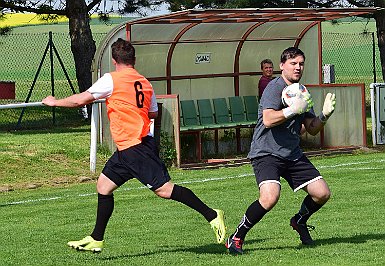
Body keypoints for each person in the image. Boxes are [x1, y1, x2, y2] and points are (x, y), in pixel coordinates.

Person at [42, 38, 226, 253]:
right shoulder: (145, 82)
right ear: (134, 59)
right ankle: (96, 238)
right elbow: (153, 113)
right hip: (127, 148)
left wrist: (54, 102)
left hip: (136, 148)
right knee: (103, 186)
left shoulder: (111, 79)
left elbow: (81, 100)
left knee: (165, 190)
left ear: (113, 60)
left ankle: (212, 214)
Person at [225, 47, 336, 255]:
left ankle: (299, 221)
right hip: (266, 152)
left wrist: (324, 116)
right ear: (282, 65)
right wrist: (292, 109)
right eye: (293, 63)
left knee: (322, 193)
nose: (298, 67)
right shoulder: (274, 88)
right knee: (269, 197)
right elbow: (267, 119)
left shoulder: (302, 91)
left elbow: (311, 129)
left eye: (301, 63)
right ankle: (237, 237)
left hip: (292, 153)